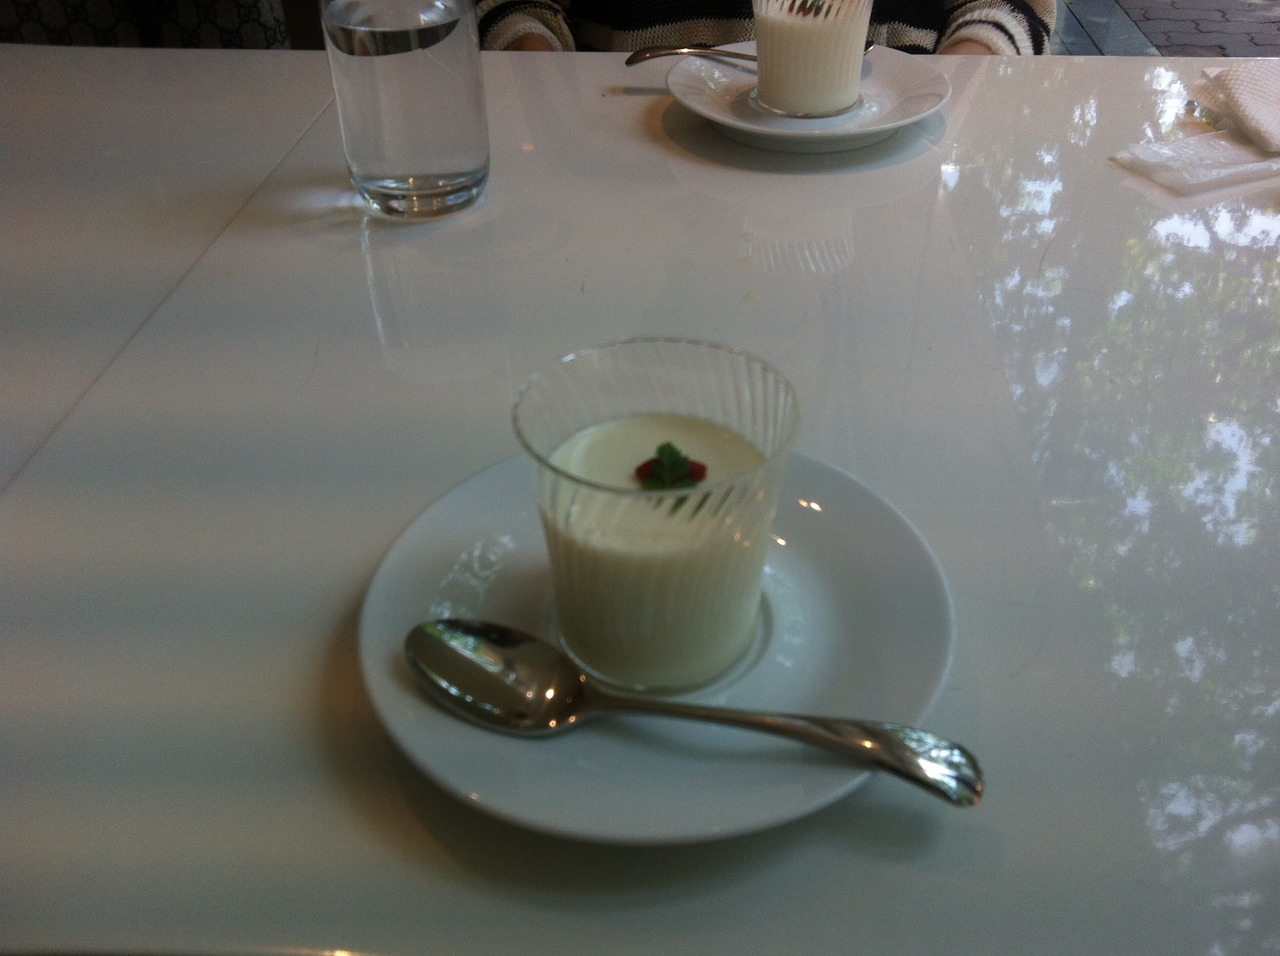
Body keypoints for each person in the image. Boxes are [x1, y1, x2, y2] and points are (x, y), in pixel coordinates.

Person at [477, 0, 1056, 56]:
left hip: (891, 167)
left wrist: (957, 85)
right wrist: (530, 68)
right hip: (617, 155)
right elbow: (516, 6)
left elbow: (1009, 8)